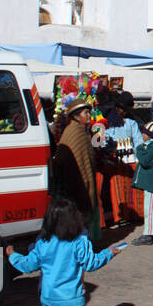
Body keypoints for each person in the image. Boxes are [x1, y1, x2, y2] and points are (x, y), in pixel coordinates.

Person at [51, 89, 101, 244]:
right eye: (85, 113)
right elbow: (65, 160)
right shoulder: (73, 132)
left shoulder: (83, 132)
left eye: (88, 112)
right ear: (75, 116)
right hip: (75, 182)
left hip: (83, 180)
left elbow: (86, 157)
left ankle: (87, 242)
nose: (88, 116)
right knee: (78, 215)